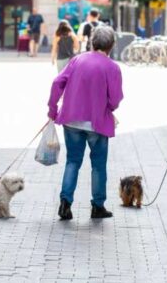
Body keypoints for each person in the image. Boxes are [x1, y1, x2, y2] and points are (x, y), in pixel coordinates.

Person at [48, 26, 123, 220]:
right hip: (97, 122)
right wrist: (109, 108)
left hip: (71, 120)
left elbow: (57, 83)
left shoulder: (77, 60)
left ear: (92, 42)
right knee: (98, 165)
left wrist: (52, 109)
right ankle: (97, 206)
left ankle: (65, 203)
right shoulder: (112, 67)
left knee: (73, 160)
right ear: (112, 45)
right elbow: (115, 99)